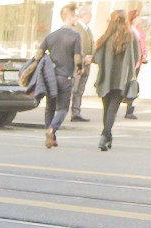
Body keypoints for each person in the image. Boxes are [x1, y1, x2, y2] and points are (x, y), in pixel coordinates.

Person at [94, 10, 140, 150]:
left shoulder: (105, 37)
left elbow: (96, 58)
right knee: (112, 111)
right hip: (121, 80)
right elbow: (136, 57)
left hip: (105, 79)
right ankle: (105, 136)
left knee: (106, 109)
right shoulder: (130, 36)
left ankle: (106, 136)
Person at [37, 4, 82, 148]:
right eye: (75, 16)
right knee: (63, 108)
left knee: (50, 107)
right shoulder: (75, 36)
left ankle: (50, 137)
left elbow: (38, 54)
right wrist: (80, 68)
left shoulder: (51, 36)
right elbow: (77, 58)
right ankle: (52, 129)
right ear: (69, 17)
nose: (77, 19)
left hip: (51, 77)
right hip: (65, 77)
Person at [70, 6, 93, 121]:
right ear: (84, 16)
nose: (90, 18)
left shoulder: (88, 29)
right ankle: (63, 111)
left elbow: (91, 45)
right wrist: (83, 58)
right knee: (74, 89)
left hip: (87, 64)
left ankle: (76, 112)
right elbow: (76, 47)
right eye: (89, 15)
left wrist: (91, 57)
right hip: (78, 64)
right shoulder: (76, 29)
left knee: (80, 90)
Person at [125, 9, 148, 118]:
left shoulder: (140, 30)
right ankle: (117, 106)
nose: (140, 19)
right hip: (129, 62)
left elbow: (143, 43)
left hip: (138, 61)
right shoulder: (128, 30)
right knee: (126, 83)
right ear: (133, 19)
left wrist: (145, 53)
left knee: (133, 84)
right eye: (138, 17)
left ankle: (129, 109)